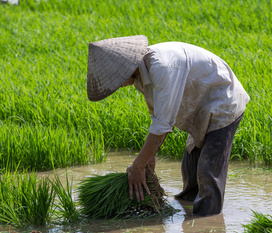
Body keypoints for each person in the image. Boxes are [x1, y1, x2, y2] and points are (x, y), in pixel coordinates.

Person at [86, 35, 250, 216]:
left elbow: (163, 125)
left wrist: (137, 166)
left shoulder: (162, 67)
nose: (118, 87)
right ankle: (188, 215)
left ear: (126, 69)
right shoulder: (142, 75)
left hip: (223, 103)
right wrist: (150, 156)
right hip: (200, 110)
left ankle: (206, 229)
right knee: (190, 174)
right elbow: (157, 114)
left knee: (207, 174)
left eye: (116, 81)